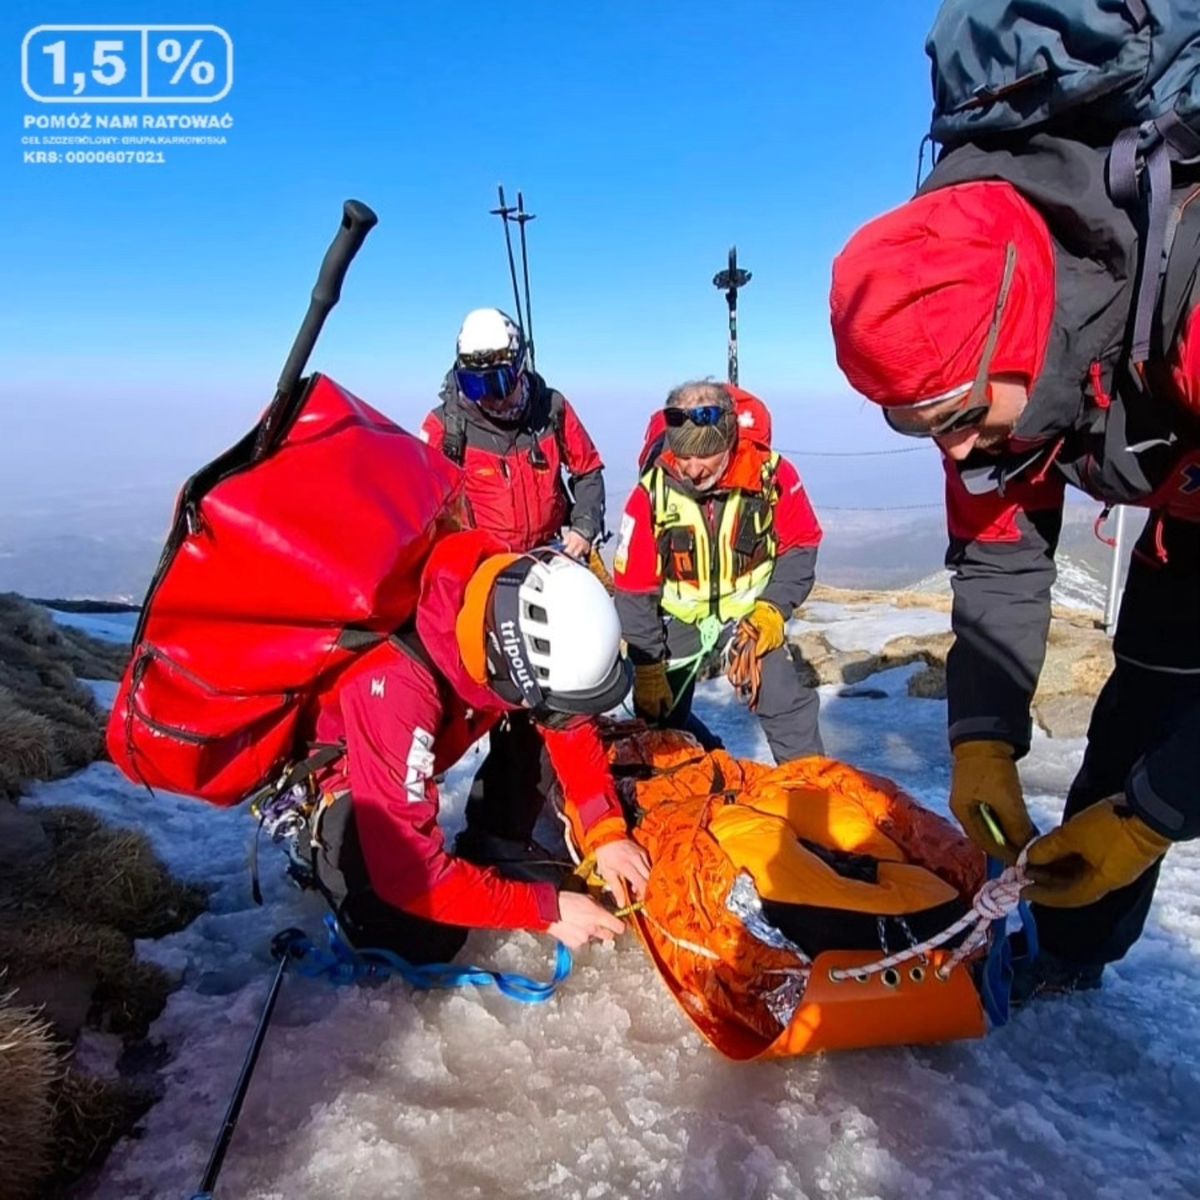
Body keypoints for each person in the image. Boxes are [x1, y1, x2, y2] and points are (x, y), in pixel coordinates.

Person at [829, 172, 1200, 998]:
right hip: (1184, 524)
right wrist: (983, 739)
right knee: (1137, 719)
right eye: (916, 423)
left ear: (1018, 330)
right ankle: (1070, 951)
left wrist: (1157, 815)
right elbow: (1001, 559)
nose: (954, 451)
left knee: (1162, 776)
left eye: (957, 415)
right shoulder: (995, 393)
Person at [306, 529, 651, 962]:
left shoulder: (497, 590)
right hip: (357, 770)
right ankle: (323, 848)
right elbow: (409, 876)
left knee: (546, 713)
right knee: (426, 936)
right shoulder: (397, 686)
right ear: (507, 666)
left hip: (415, 730)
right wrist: (545, 911)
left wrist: (606, 832)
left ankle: (494, 840)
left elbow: (568, 724)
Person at [420, 308, 613, 867]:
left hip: (551, 566)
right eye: (475, 384)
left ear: (520, 366)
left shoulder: (550, 410)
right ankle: (431, 832)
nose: (491, 397)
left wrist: (581, 531)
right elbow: (424, 505)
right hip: (482, 585)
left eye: (500, 381)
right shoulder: (446, 428)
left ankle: (506, 828)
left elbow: (590, 470)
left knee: (550, 705)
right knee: (468, 708)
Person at [613, 380, 824, 763]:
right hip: (676, 620)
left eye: (705, 456)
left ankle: (813, 790)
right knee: (659, 721)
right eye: (683, 456)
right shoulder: (651, 493)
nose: (692, 469)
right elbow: (632, 585)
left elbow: (801, 544)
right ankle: (706, 761)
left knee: (783, 701)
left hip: (750, 613)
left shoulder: (771, 476)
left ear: (728, 438)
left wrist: (773, 608)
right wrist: (646, 665)